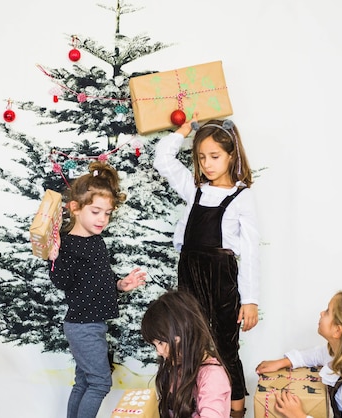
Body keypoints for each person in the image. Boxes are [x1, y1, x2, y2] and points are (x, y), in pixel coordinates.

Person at [153, 115, 261, 417]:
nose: (207, 164)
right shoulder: (194, 190)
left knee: (225, 346)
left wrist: (250, 300)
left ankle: (237, 410)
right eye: (201, 158)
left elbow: (251, 252)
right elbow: (163, 159)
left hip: (221, 277)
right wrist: (184, 131)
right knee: (189, 343)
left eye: (214, 156)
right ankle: (192, 404)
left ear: (232, 155)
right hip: (189, 272)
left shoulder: (241, 197)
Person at [48, 161, 147, 418]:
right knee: (101, 383)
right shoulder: (68, 245)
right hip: (83, 325)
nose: (102, 218)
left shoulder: (96, 241)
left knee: (84, 382)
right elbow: (62, 282)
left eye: (107, 213)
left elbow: (99, 279)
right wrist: (55, 257)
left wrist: (120, 285)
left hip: (93, 323)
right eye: (95, 211)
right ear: (76, 208)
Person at [255, 290, 342, 418]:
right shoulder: (340, 356)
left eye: (327, 311)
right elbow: (316, 355)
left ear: (337, 330)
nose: (321, 313)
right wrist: (284, 362)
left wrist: (299, 416)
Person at [141, 290, 232, 418]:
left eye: (161, 342)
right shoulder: (176, 364)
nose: (159, 351)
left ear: (186, 333)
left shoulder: (212, 377)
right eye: (155, 345)